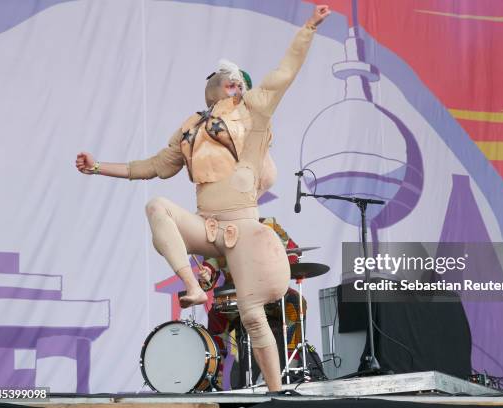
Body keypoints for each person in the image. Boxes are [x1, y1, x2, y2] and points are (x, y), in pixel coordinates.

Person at [75, 5, 331, 392]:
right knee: (157, 205)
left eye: (239, 83)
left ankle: (277, 392)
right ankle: (193, 286)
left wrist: (308, 28)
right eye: (229, 83)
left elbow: (283, 74)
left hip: (244, 229)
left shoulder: (252, 113)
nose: (236, 87)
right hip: (208, 226)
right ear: (213, 85)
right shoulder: (191, 127)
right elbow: (152, 166)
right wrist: (97, 167)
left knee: (252, 316)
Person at [200, 217, 307, 389]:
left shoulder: (269, 224)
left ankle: (291, 363)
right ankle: (215, 375)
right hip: (237, 298)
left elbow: (293, 251)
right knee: (216, 314)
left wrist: (285, 261)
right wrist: (205, 276)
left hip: (270, 293)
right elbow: (208, 274)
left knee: (296, 301)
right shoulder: (218, 234)